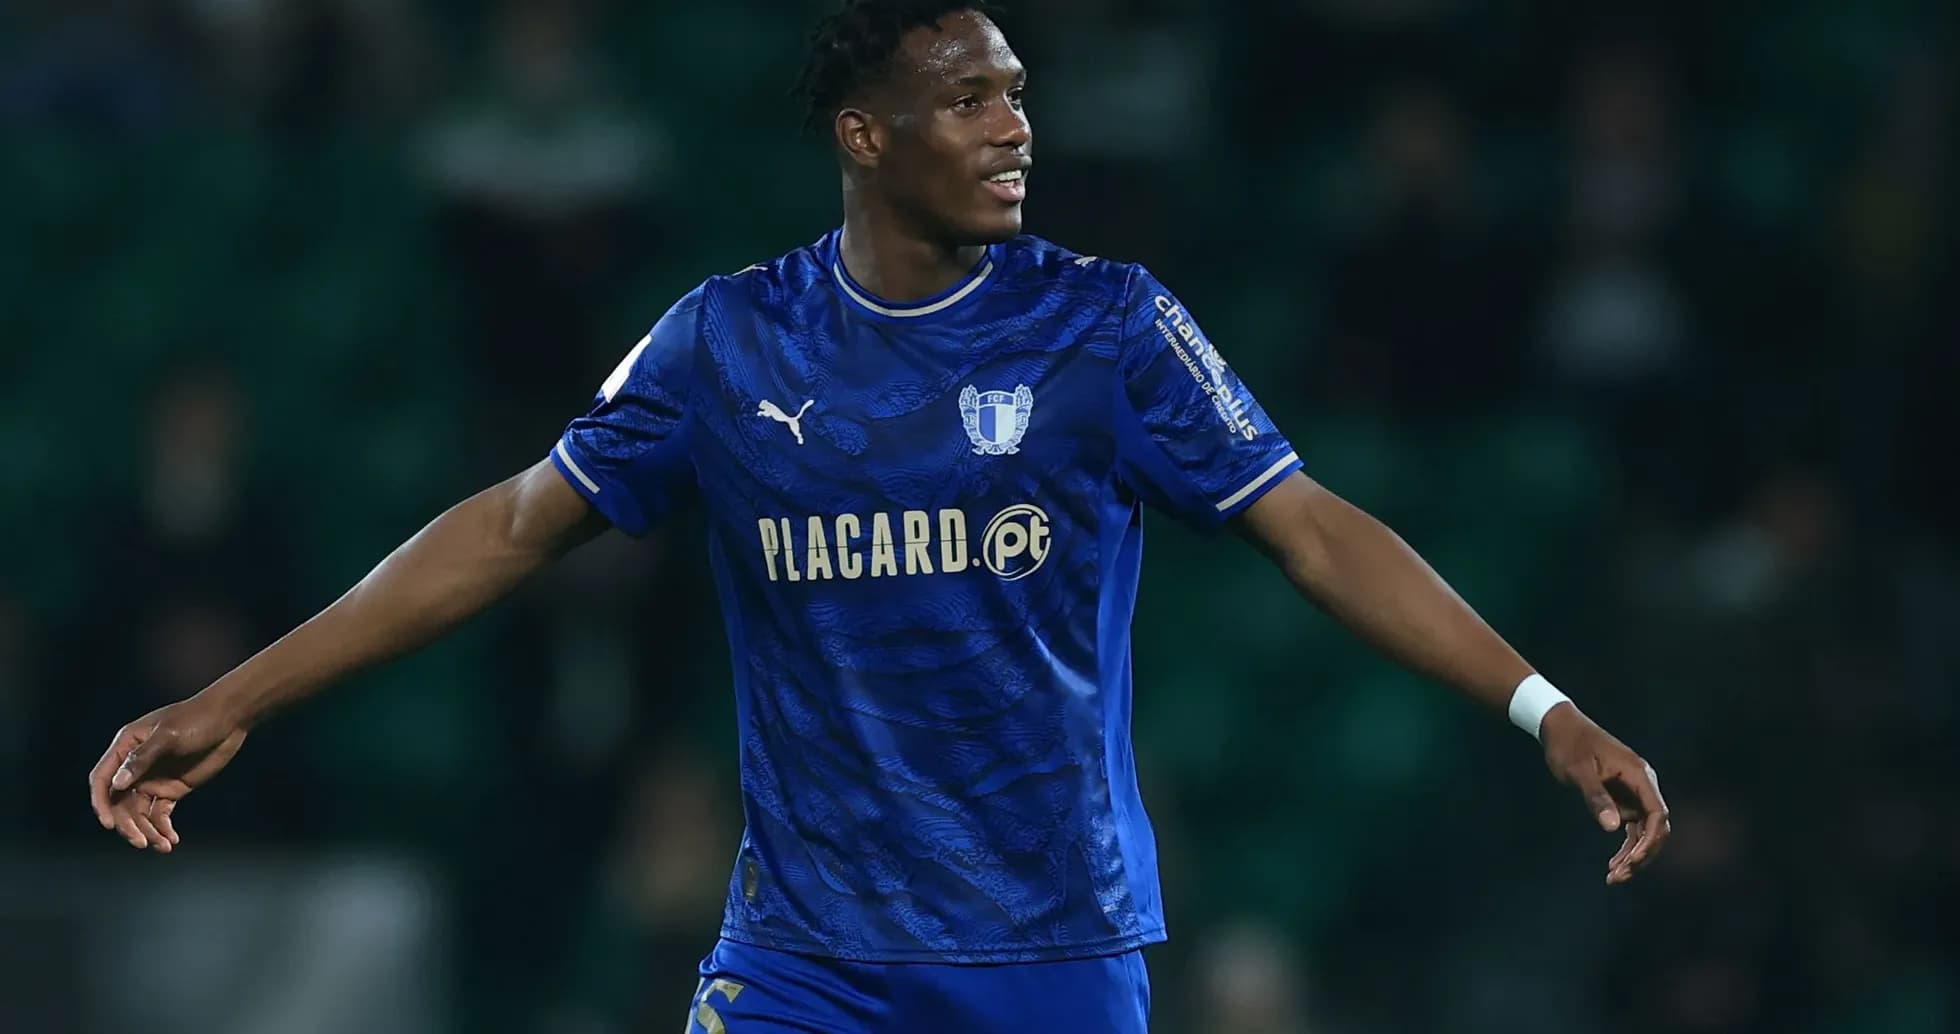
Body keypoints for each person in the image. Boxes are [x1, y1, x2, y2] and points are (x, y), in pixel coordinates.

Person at [88, 2, 1670, 1030]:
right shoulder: (726, 343)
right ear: (864, 132)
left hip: (1049, 955)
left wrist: (1545, 708)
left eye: (1018, 95)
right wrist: (233, 698)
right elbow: (507, 529)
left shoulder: (1108, 328)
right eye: (968, 98)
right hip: (806, 962)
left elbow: (1314, 529)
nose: (1014, 126)